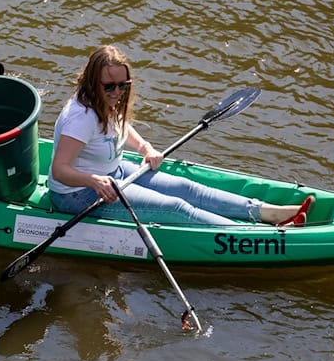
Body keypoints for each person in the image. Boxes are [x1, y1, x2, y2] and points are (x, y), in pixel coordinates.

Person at [48, 45, 313, 227]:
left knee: (189, 189)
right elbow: (60, 170)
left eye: (123, 85)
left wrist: (145, 148)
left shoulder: (107, 101)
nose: (117, 92)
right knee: (176, 207)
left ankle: (270, 213)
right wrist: (94, 180)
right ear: (93, 83)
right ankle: (252, 236)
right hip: (77, 195)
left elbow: (120, 127)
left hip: (113, 174)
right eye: (110, 86)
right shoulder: (80, 117)